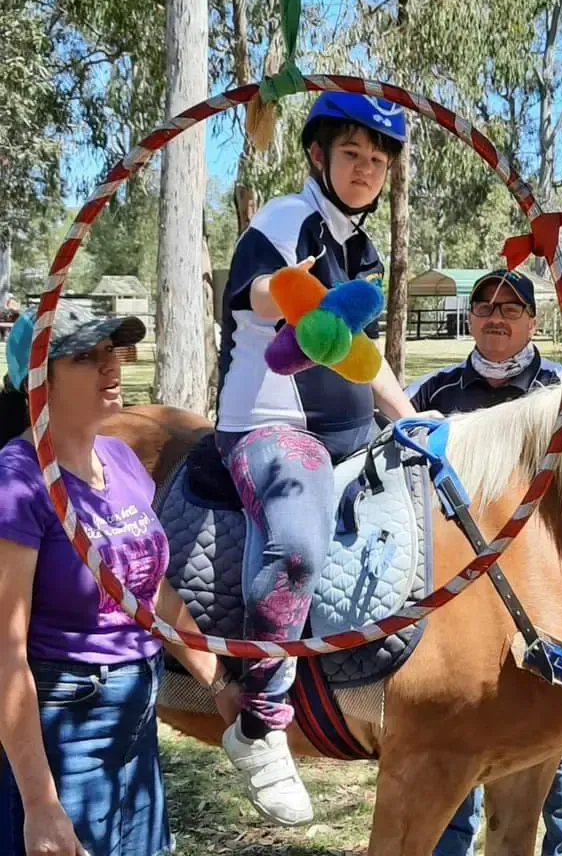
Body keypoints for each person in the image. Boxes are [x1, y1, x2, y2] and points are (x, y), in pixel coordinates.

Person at [215, 92, 421, 826]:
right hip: (272, 432)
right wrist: (294, 291)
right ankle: (259, 724)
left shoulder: (360, 247)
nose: (366, 170)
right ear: (316, 156)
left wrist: (411, 418)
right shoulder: (284, 219)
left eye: (377, 160)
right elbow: (262, 294)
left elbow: (363, 358)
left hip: (350, 439)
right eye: (352, 155)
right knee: (298, 545)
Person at [0, 301, 241, 856]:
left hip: (137, 713)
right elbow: (6, 651)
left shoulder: (122, 460)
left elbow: (148, 588)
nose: (112, 366)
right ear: (39, 382)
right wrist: (40, 804)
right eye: (86, 356)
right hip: (68, 723)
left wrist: (218, 682)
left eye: (112, 351)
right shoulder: (19, 483)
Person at [408, 269, 562, 856]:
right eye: (484, 305)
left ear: (533, 323)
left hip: (549, 590)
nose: (496, 316)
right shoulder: (434, 394)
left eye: (511, 308)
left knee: (555, 735)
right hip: (462, 593)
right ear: (470, 318)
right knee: (458, 722)